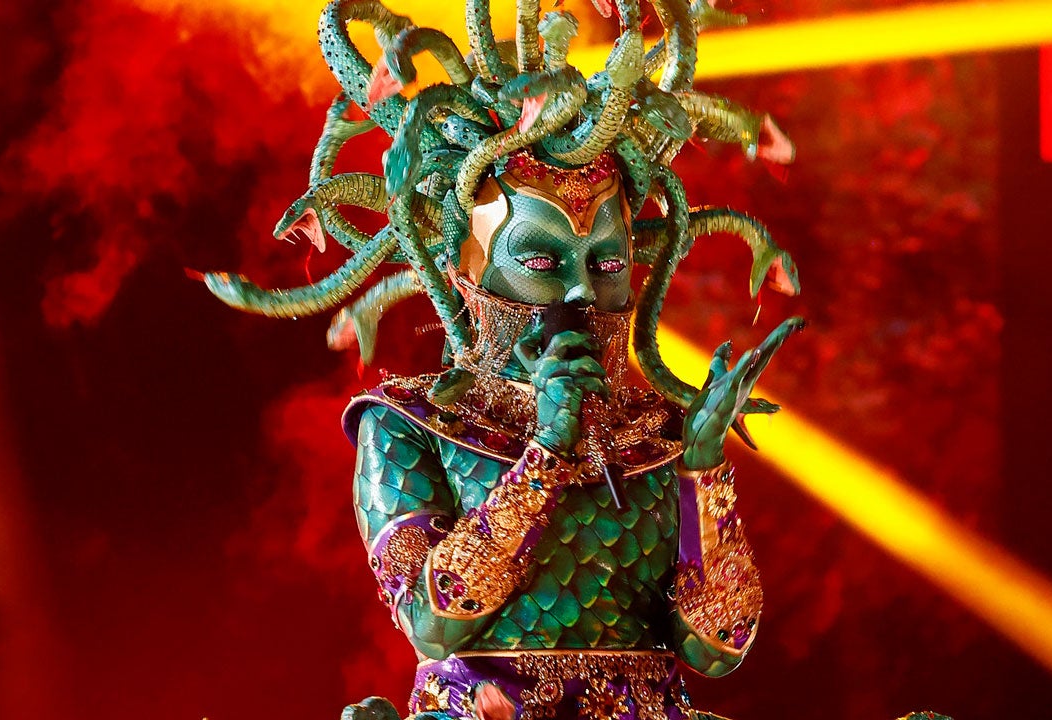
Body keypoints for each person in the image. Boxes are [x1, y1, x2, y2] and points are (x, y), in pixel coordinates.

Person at [203, 1, 801, 718]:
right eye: (542, 260)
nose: (581, 292)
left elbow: (717, 650)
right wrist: (545, 452)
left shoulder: (661, 431)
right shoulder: (406, 424)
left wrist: (705, 470)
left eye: (607, 263)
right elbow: (433, 620)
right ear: (466, 269)